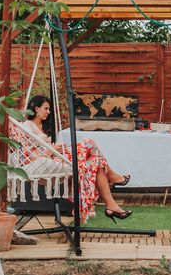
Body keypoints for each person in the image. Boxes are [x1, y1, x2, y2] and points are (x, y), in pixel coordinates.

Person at [22, 95, 132, 224]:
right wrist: (51, 150)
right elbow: (28, 158)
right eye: (46, 108)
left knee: (95, 160)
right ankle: (112, 178)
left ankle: (111, 204)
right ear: (36, 108)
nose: (49, 112)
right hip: (49, 163)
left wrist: (56, 149)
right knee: (89, 143)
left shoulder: (45, 127)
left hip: (59, 158)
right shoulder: (27, 126)